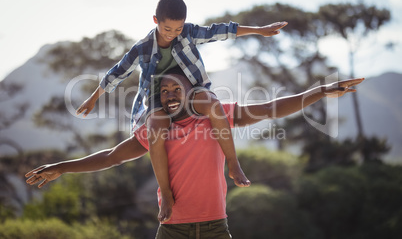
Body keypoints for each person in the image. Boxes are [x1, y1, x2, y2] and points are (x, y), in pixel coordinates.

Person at [26, 67, 364, 238]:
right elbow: (112, 156)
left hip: (217, 227)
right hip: (172, 228)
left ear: (190, 93)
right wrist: (61, 167)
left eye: (177, 88)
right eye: (165, 89)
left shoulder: (217, 117)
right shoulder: (155, 130)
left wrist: (320, 91)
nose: (171, 92)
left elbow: (272, 108)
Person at [74, 0, 288, 222]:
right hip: (159, 95)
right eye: (167, 28)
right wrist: (94, 97)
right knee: (155, 129)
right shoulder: (143, 48)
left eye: (178, 29)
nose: (172, 33)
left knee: (214, 106)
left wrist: (260, 29)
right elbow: (117, 72)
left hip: (191, 89)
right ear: (155, 20)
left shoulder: (188, 32)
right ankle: (166, 193)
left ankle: (234, 164)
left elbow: (220, 31)